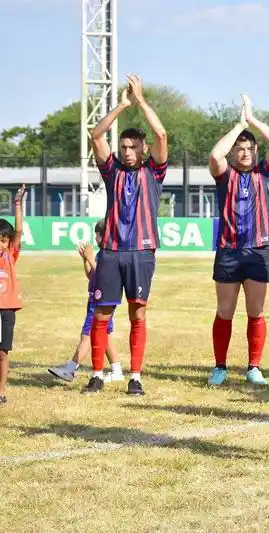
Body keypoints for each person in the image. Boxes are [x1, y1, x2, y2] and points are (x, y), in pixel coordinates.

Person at [83, 74, 167, 396]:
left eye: (133, 146)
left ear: (144, 149)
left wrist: (142, 101)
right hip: (112, 251)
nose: (128, 151)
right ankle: (96, 374)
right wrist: (122, 105)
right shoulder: (112, 171)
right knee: (101, 311)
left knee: (138, 313)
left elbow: (161, 132)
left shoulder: (154, 171)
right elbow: (95, 134)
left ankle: (135, 377)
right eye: (124, 147)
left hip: (142, 252)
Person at [208, 93, 269, 387]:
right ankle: (220, 367)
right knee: (224, 312)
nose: (244, 153)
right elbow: (216, 156)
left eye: (249, 149)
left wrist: (252, 120)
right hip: (228, 252)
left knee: (256, 312)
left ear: (255, 152)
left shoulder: (265, 173)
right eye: (239, 149)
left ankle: (254, 366)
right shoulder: (224, 174)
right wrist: (238, 126)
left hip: (257, 251)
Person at [48, 220, 123, 384]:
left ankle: (70, 369)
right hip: (95, 298)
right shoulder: (100, 254)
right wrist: (85, 259)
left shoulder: (109, 254)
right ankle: (117, 370)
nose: (95, 238)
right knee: (106, 336)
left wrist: (90, 258)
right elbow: (91, 275)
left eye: (97, 235)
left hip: (101, 300)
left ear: (103, 236)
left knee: (87, 335)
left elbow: (104, 275)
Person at [0, 186, 26, 405]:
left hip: (6, 309)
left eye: (4, 240)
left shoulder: (10, 256)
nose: (1, 244)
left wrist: (17, 204)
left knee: (2, 352)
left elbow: (18, 231)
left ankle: (1, 392)